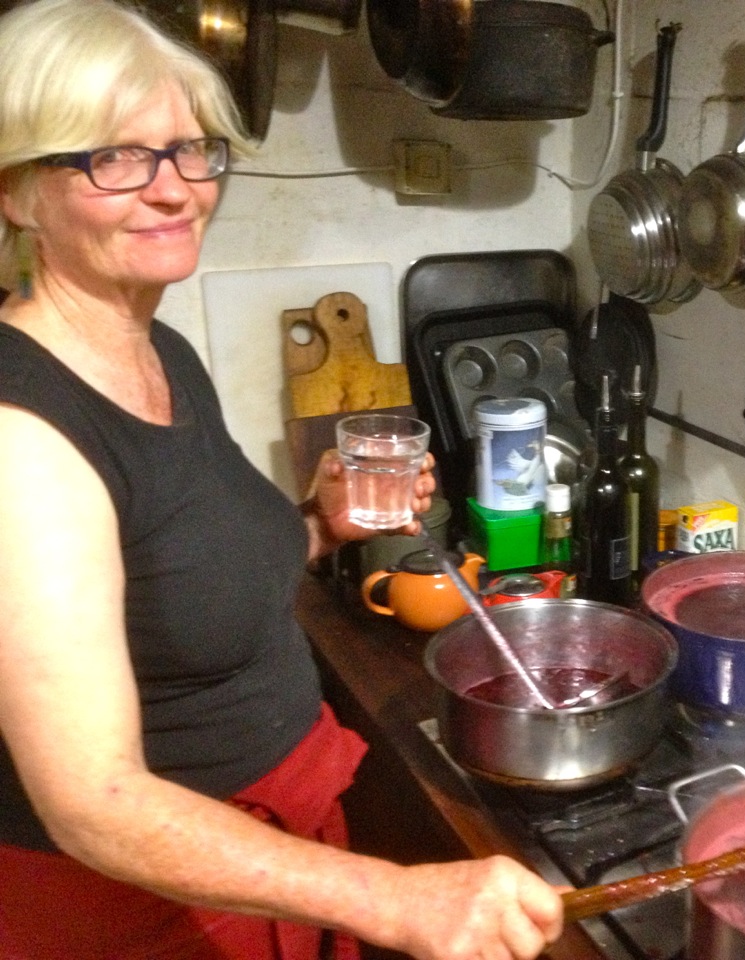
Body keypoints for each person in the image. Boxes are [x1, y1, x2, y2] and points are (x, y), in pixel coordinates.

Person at [0, 1, 565, 958]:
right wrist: (395, 899)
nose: (173, 188)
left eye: (190, 148)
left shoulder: (158, 350)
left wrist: (321, 524)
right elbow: (95, 803)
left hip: (267, 848)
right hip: (148, 904)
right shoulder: (22, 440)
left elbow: (181, 581)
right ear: (16, 191)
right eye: (113, 157)